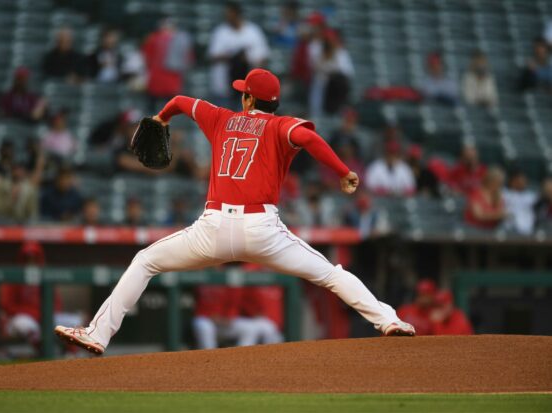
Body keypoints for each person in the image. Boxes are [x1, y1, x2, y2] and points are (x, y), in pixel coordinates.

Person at [55, 67, 415, 355]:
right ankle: (388, 321)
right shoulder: (281, 124)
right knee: (332, 275)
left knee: (145, 262)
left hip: (212, 229)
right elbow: (309, 139)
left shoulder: (222, 118)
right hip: (262, 230)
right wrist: (343, 172)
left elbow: (179, 100)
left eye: (243, 90)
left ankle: (98, 335)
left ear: (247, 98)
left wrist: (161, 118)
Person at [0, 242, 83, 352]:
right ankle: (42, 352)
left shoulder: (45, 275)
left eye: (34, 258)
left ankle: (71, 353)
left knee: (76, 321)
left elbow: (57, 304)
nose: (31, 262)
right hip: (22, 319)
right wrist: (34, 313)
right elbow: (7, 306)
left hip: (45, 317)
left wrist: (45, 315)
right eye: (28, 258)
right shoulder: (14, 277)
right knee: (26, 325)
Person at [207, 2, 270, 108]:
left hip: (247, 89)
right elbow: (212, 56)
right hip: (224, 87)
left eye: (229, 13)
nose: (227, 16)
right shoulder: (221, 32)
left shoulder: (253, 32)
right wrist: (233, 56)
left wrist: (247, 59)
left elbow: (263, 58)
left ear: (237, 14)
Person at [193, 285, 273, 349]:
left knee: (250, 328)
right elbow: (196, 306)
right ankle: (209, 359)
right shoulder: (202, 277)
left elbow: (233, 304)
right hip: (207, 320)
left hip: (224, 322)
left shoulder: (227, 279)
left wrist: (228, 317)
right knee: (203, 326)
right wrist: (210, 315)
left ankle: (240, 360)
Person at [141, 18, 193, 108]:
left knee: (153, 110)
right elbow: (189, 60)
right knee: (170, 110)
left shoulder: (153, 38)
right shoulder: (182, 40)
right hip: (172, 82)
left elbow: (146, 57)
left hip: (156, 80)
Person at [308, 28, 355, 117]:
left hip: (335, 88)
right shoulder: (317, 49)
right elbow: (314, 66)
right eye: (326, 41)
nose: (328, 44)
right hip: (320, 84)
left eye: (330, 41)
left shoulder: (340, 53)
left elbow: (348, 73)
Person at [502, 170, 537, 235]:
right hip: (508, 229)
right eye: (517, 181)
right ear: (511, 181)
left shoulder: (532, 196)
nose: (520, 183)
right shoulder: (504, 194)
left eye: (523, 181)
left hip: (528, 230)